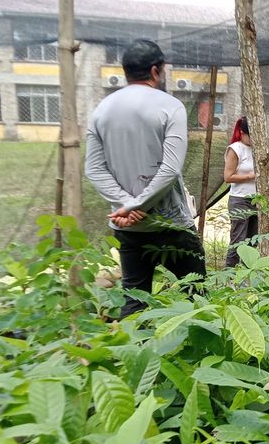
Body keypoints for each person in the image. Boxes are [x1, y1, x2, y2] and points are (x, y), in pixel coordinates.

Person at [84, 38, 206, 317]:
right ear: (155, 70)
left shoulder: (101, 109)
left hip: (128, 227)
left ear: (126, 71)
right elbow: (170, 168)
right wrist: (138, 204)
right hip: (171, 225)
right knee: (197, 297)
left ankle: (133, 354)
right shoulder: (170, 106)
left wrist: (126, 204)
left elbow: (94, 169)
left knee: (135, 302)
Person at [223, 116, 258, 267]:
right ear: (242, 132)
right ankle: (229, 276)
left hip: (256, 200)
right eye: (251, 135)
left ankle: (246, 276)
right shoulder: (235, 149)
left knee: (253, 240)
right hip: (239, 200)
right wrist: (250, 176)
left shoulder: (258, 149)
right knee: (238, 241)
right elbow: (228, 177)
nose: (253, 139)